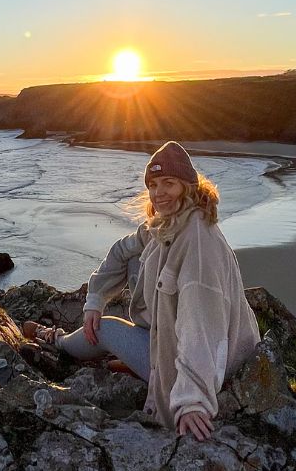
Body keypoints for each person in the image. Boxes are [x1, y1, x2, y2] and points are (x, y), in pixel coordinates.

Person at [22, 141, 260, 441]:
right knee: (134, 258)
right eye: (154, 184)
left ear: (188, 186)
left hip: (212, 364)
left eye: (169, 184)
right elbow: (121, 251)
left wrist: (192, 401)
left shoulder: (198, 243)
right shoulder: (166, 225)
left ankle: (56, 341)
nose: (159, 192)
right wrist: (95, 300)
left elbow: (201, 328)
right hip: (168, 337)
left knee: (106, 330)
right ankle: (134, 359)